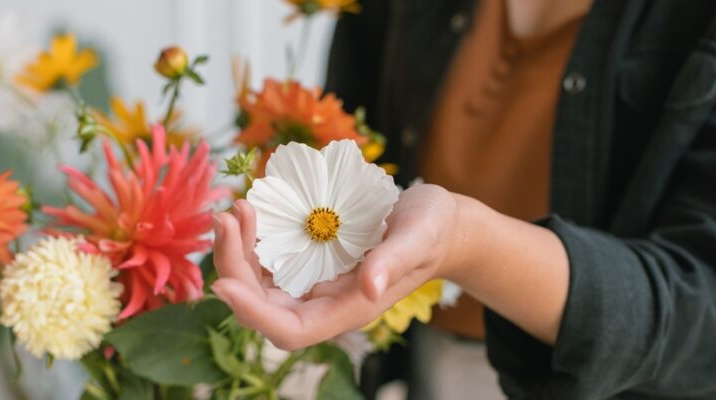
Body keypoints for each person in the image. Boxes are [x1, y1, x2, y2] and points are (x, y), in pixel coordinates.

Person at [211, 0, 716, 398]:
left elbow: (703, 306)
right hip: (419, 360)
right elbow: (342, 149)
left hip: (614, 383)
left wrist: (467, 243)